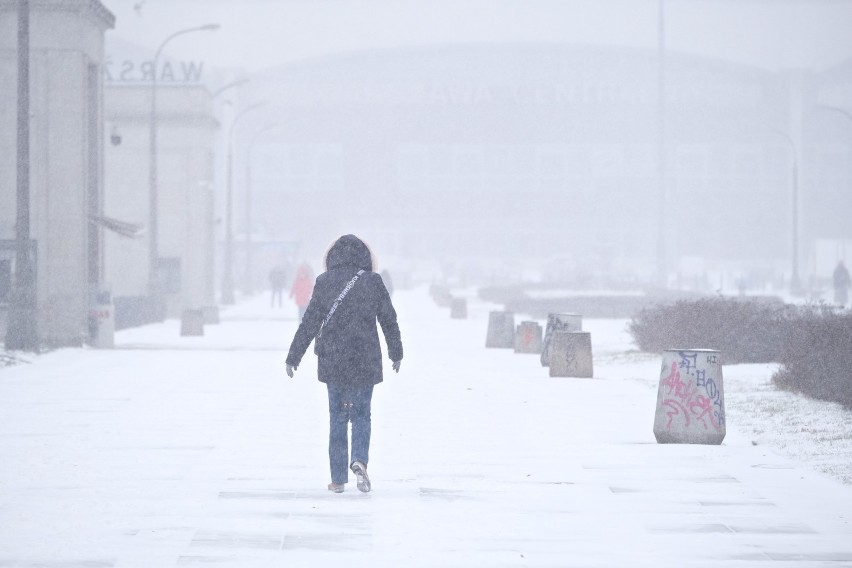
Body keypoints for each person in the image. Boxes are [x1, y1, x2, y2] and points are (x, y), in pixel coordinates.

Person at [285, 235, 403, 494]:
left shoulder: (324, 282)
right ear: (366, 257)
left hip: (334, 358)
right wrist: (396, 352)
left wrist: (294, 356)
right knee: (362, 414)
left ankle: (338, 479)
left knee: (337, 418)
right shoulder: (373, 282)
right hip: (365, 358)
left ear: (332, 257)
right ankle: (359, 459)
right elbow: (388, 319)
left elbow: (310, 322)